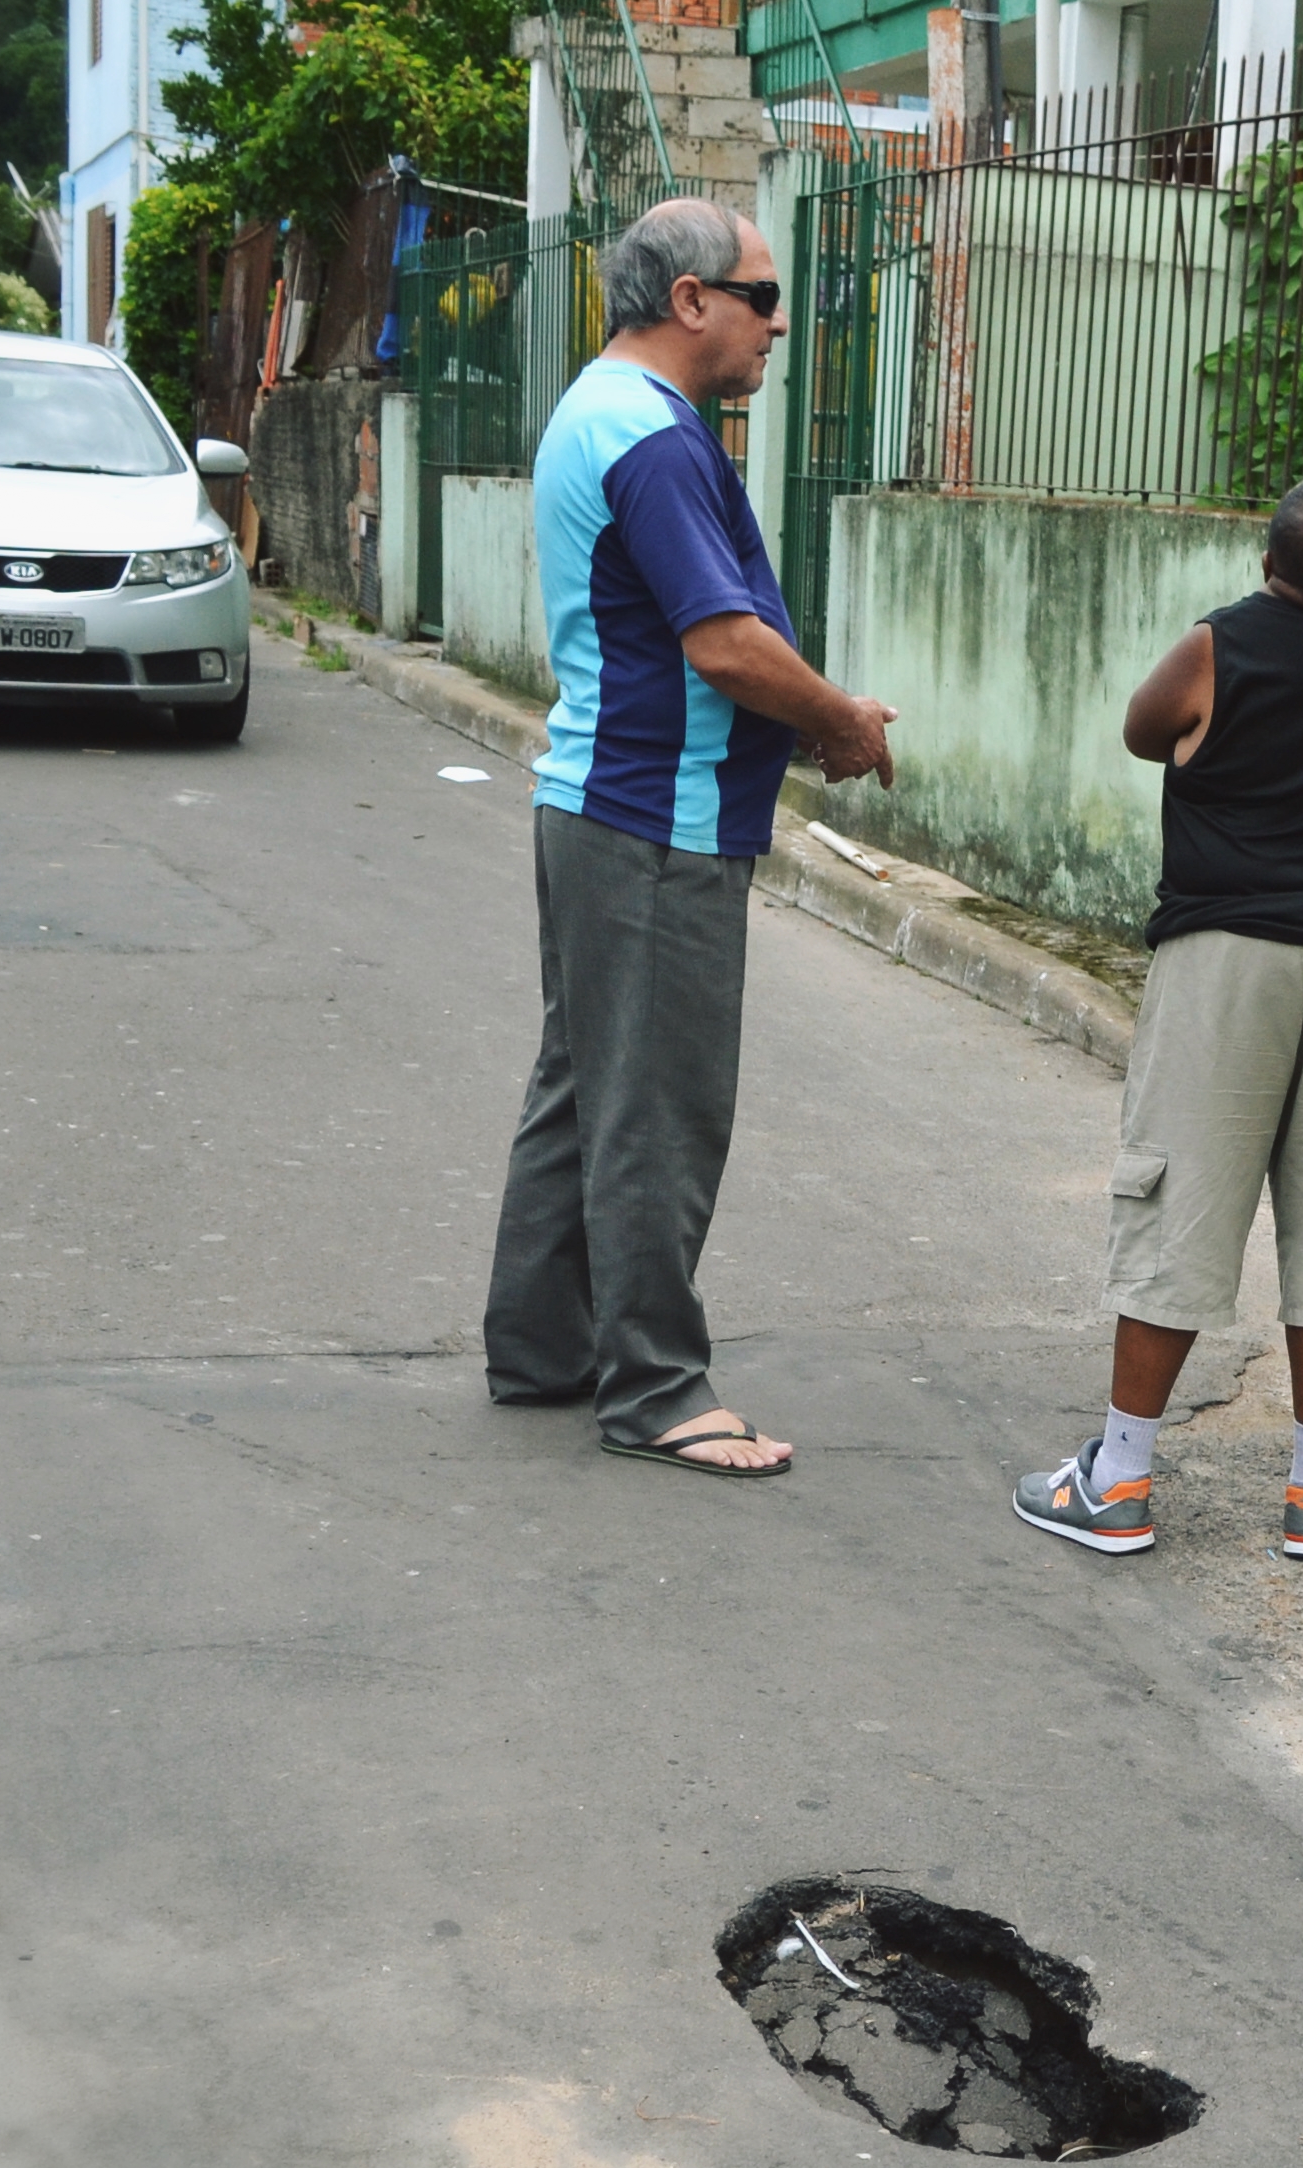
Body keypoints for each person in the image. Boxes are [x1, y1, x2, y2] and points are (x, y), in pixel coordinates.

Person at [483, 198, 897, 1478]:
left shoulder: (601, 409)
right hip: (655, 819)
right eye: (764, 298)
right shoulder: (653, 440)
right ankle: (656, 1386)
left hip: (605, 807)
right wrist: (838, 721)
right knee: (655, 1104)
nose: (781, 324)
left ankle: (544, 1346)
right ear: (693, 302)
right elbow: (719, 641)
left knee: (587, 1083)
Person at [1011, 472, 1303, 1564]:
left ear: (1273, 566)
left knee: (1182, 1200)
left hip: (1230, 959)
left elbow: (1142, 730)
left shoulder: (1224, 646)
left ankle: (1119, 1478)